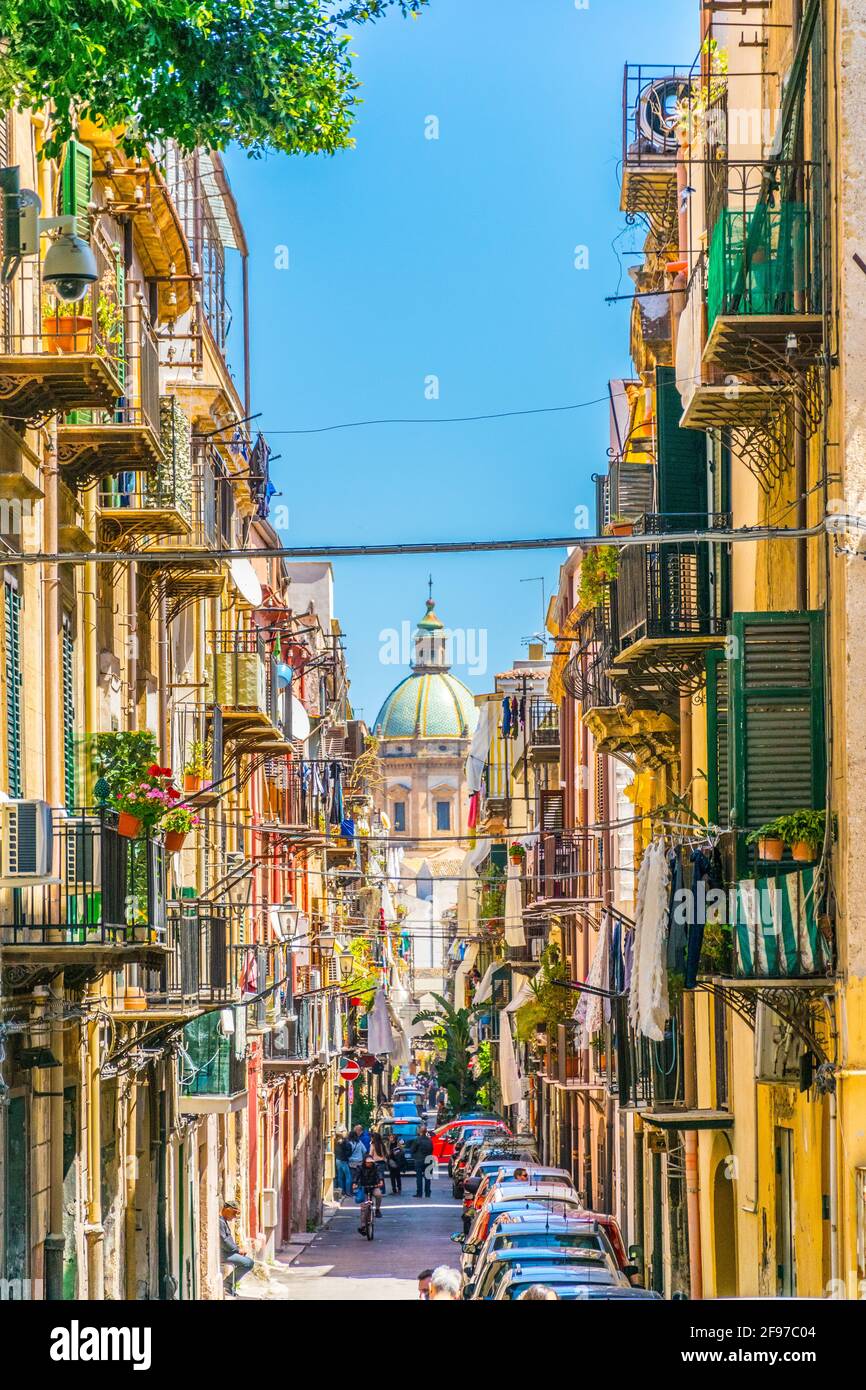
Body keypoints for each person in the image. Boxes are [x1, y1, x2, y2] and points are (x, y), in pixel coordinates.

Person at [220, 1200, 254, 1298]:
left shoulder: (223, 1221)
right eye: (234, 1213)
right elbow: (224, 1241)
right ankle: (227, 1284)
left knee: (248, 1261)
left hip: (228, 1253)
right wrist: (237, 1250)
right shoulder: (220, 1222)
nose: (234, 1216)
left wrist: (237, 1249)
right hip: (224, 1254)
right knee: (248, 1263)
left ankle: (229, 1286)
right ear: (227, 1209)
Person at [353, 1152, 384, 1230]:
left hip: (374, 1186)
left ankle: (377, 1209)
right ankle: (363, 1226)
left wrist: (380, 1181)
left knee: (378, 1194)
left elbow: (379, 1173)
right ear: (364, 1162)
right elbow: (356, 1176)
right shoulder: (360, 1167)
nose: (369, 1164)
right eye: (368, 1162)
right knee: (364, 1207)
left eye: (371, 1162)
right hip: (364, 1187)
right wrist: (354, 1183)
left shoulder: (376, 1166)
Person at [412, 1123, 434, 1199]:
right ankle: (427, 1193)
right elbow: (432, 1149)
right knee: (427, 1177)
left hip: (419, 1160)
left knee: (419, 1177)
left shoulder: (417, 1140)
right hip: (428, 1159)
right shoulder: (429, 1140)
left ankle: (419, 1193)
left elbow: (413, 1150)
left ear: (420, 1131)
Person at [334, 1129, 353, 1197]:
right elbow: (349, 1152)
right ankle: (348, 1192)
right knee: (348, 1177)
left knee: (340, 1176)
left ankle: (341, 1192)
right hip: (344, 1161)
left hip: (338, 1160)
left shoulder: (336, 1142)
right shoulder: (346, 1142)